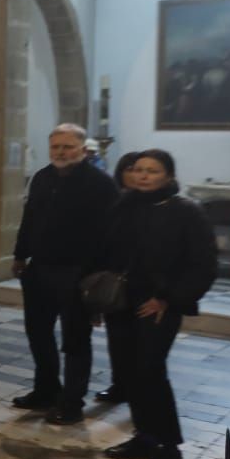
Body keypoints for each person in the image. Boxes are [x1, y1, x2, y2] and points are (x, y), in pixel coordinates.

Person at [95, 149, 218, 459]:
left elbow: (201, 264)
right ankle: (144, 437)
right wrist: (98, 298)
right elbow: (106, 251)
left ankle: (168, 448)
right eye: (138, 169)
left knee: (150, 372)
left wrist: (168, 299)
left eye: (152, 170)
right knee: (129, 372)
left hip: (157, 305)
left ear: (168, 176)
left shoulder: (185, 212)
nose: (143, 176)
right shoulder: (124, 204)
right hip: (122, 301)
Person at [12, 124, 119, 423]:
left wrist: (97, 274)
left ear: (82, 150)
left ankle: (72, 402)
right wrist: (21, 254)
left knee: (75, 339)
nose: (60, 152)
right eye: (56, 146)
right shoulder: (43, 177)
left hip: (78, 272)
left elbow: (110, 234)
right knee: (37, 332)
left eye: (67, 147)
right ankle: (45, 390)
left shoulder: (101, 184)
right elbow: (29, 217)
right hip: (40, 267)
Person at [92, 150, 142, 406]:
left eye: (144, 170)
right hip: (116, 281)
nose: (137, 175)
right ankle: (120, 385)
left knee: (142, 345)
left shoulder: (165, 206)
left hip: (145, 286)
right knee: (118, 339)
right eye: (130, 169)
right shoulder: (112, 203)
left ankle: (140, 389)